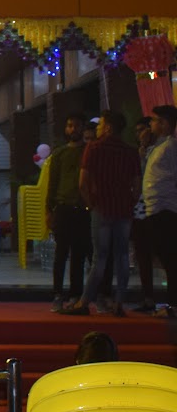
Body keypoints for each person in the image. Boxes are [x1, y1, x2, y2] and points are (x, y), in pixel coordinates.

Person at [62, 111, 140, 317]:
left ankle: (84, 301)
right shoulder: (130, 152)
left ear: (108, 128)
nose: (97, 128)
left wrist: (91, 205)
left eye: (100, 125)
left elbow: (83, 183)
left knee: (100, 257)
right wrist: (129, 203)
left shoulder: (94, 148)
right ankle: (119, 302)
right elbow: (137, 186)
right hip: (123, 209)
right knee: (122, 256)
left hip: (102, 208)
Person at [45, 113, 90, 312]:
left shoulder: (89, 151)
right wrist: (49, 210)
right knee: (60, 253)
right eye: (70, 125)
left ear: (83, 128)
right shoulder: (59, 154)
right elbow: (52, 183)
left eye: (77, 125)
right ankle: (57, 294)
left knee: (78, 255)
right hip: (62, 207)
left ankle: (75, 295)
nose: (73, 129)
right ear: (65, 129)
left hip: (82, 208)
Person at [143, 104, 177, 314]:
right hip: (156, 207)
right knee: (165, 257)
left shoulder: (171, 147)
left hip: (166, 208)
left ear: (164, 124)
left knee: (170, 258)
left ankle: (173, 304)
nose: (151, 124)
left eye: (154, 120)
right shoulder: (160, 146)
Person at [130, 116, 158, 312]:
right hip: (139, 210)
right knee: (142, 254)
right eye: (137, 131)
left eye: (143, 130)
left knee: (165, 254)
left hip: (158, 208)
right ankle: (148, 297)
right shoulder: (136, 153)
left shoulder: (161, 150)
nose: (140, 134)